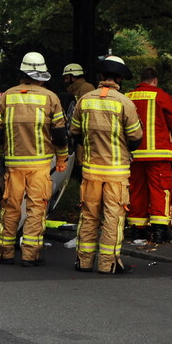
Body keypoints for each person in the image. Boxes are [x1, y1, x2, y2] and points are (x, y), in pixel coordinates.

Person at [0, 52, 69, 266]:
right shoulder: (50, 98)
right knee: (36, 208)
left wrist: (0, 153)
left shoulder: (7, 96)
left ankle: (3, 252)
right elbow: (60, 133)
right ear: (41, 76)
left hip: (13, 163)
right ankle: (30, 255)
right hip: (40, 164)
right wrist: (62, 157)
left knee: (10, 206)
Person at [70, 56, 143, 274]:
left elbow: (75, 132)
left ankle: (83, 261)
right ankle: (107, 263)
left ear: (101, 77)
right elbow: (136, 138)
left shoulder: (85, 100)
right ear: (120, 79)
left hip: (91, 170)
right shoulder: (125, 103)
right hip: (116, 172)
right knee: (113, 217)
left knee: (89, 216)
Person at [125, 67, 172, 243]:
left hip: (134, 154)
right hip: (158, 152)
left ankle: (136, 229)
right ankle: (159, 231)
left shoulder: (128, 97)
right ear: (155, 80)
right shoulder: (160, 95)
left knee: (136, 190)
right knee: (160, 190)